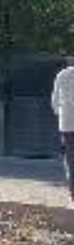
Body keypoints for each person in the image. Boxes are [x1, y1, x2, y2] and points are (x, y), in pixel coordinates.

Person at [51, 57, 74, 202]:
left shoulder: (62, 75)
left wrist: (62, 113)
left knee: (70, 159)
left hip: (66, 124)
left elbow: (54, 101)